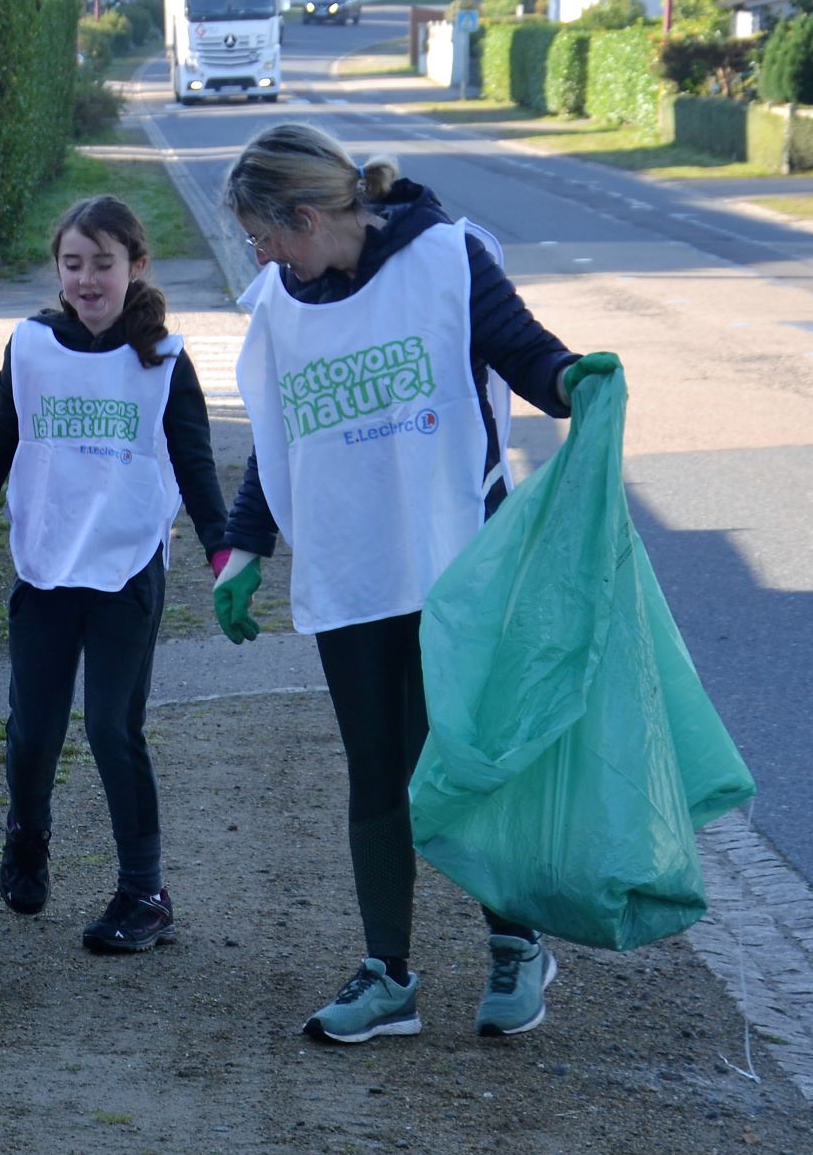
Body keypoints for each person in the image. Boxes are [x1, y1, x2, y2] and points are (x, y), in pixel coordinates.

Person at [214, 121, 620, 1042]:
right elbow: (281, 433)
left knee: (461, 765)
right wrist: (244, 546)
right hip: (349, 568)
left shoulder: (445, 258)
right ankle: (386, 974)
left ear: (309, 217)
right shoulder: (281, 301)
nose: (261, 253)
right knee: (375, 776)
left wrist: (576, 382)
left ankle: (515, 945)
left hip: (452, 565)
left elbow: (525, 352)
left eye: (264, 234)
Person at [0, 195, 229, 954]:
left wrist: (224, 553)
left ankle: (144, 890)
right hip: (47, 564)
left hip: (124, 568)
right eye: (72, 264)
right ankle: (27, 834)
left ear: (135, 267)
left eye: (103, 264)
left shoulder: (161, 361)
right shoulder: (28, 346)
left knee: (113, 727)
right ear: (57, 269)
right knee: (33, 730)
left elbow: (193, 463)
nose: (86, 279)